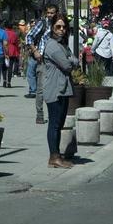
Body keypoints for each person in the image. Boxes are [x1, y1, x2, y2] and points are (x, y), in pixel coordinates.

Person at [40, 17, 76, 169]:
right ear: (52, 27)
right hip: (55, 89)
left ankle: (57, 155)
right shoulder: (53, 46)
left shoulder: (62, 45)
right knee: (54, 124)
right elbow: (68, 64)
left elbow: (74, 59)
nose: (61, 29)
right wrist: (70, 60)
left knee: (59, 124)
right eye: (58, 27)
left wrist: (71, 59)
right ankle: (53, 156)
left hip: (62, 88)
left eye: (64, 27)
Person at [5, 22, 22, 87]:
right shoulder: (14, 34)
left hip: (4, 49)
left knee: (4, 67)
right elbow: (17, 43)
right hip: (12, 50)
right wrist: (18, 52)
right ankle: (9, 82)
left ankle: (4, 80)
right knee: (10, 67)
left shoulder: (4, 32)